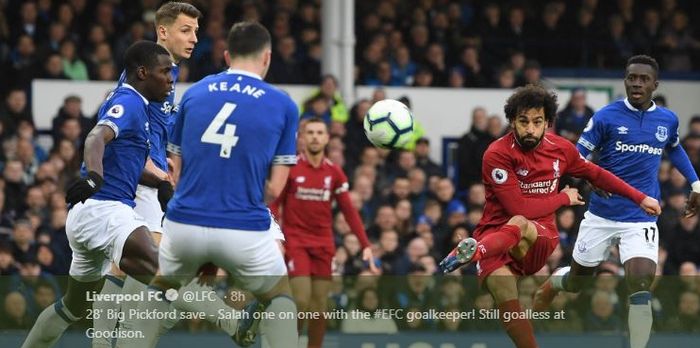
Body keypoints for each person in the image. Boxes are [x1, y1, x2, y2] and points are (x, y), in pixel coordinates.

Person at [115, 22, 299, 348]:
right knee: (279, 299)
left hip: (186, 220)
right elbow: (274, 189)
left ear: (227, 55)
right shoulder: (283, 104)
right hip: (243, 223)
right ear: (267, 58)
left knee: (158, 292)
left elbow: (175, 171)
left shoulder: (194, 93)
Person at [439, 84, 661, 348]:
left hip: (536, 237)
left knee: (520, 223)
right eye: (523, 121)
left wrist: (639, 197)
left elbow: (597, 174)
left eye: (537, 121)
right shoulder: (496, 154)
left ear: (548, 123)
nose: (530, 128)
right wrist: (563, 198)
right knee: (506, 296)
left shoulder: (561, 149)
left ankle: (473, 253)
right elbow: (517, 205)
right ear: (512, 122)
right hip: (495, 235)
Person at [533, 55, 700, 348]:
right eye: (631, 78)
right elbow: (577, 157)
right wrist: (590, 179)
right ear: (625, 80)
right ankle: (555, 282)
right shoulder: (605, 116)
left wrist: (696, 183)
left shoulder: (667, 119)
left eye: (643, 79)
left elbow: (674, 149)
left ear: (654, 84)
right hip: (602, 214)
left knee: (640, 284)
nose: (636, 84)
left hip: (641, 216)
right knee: (577, 283)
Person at [21, 40, 174, 348]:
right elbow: (95, 138)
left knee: (73, 307)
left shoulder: (142, 110)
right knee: (166, 273)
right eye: (166, 72)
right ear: (143, 73)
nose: (172, 78)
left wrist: (161, 183)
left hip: (88, 216)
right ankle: (236, 322)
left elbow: (125, 162)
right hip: (105, 210)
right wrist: (94, 177)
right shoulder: (129, 102)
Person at [91, 4, 215, 347]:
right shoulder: (146, 78)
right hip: (144, 184)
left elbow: (159, 128)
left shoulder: (166, 75)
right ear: (163, 32)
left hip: (149, 182)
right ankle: (233, 323)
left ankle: (104, 343)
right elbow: (128, 133)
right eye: (186, 30)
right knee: (154, 269)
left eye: (195, 31)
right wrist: (161, 176)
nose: (194, 38)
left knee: (124, 269)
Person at [267, 117, 376, 348]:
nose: (315, 136)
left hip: (324, 244)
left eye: (320, 132)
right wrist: (273, 236)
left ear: (327, 138)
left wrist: (365, 244)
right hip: (296, 242)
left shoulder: (334, 172)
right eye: (311, 132)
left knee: (319, 305)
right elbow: (274, 205)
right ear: (303, 138)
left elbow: (349, 211)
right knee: (302, 298)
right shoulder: (291, 168)